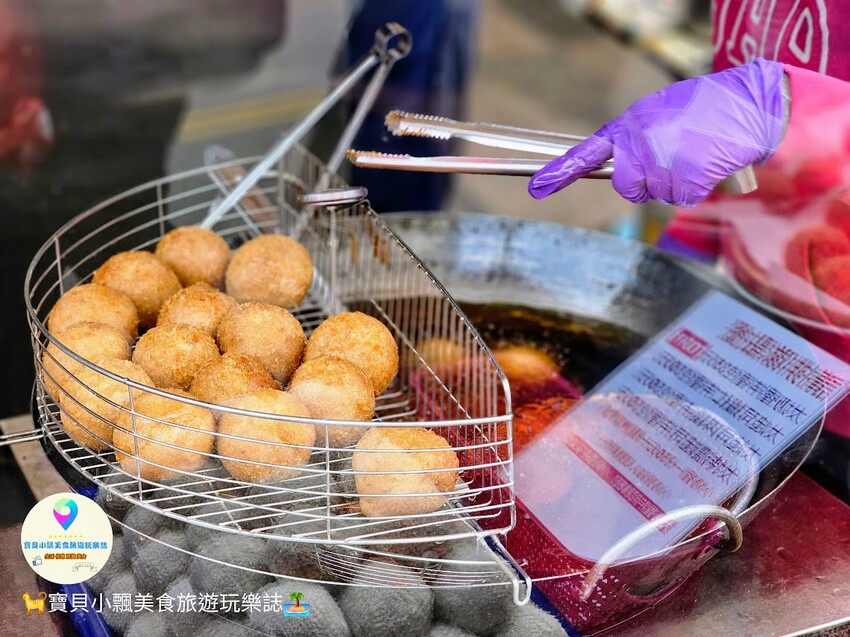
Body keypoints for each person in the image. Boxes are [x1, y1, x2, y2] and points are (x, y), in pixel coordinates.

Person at [528, 2, 850, 488]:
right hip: (750, 342)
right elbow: (738, 147)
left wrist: (799, 105)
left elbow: (769, 112)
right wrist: (690, 242)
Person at [0, 0, 286, 418]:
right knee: (25, 276)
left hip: (118, 85)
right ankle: (21, 414)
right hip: (86, 82)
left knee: (118, 237)